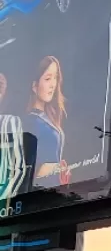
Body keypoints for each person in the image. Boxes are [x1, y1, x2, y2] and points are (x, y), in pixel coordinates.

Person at [24, 55, 69, 187]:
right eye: (48, 79)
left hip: (54, 188)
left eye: (55, 78)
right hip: (40, 190)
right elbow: (31, 169)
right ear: (34, 86)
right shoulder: (29, 122)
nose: (53, 84)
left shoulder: (49, 118)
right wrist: (58, 168)